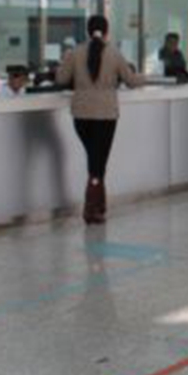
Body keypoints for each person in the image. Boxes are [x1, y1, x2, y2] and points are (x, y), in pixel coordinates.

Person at [57, 16, 143, 225]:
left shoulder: (74, 53)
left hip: (81, 115)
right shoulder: (114, 53)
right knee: (98, 162)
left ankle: (100, 205)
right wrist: (145, 77)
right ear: (106, 31)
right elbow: (131, 81)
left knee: (95, 159)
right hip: (105, 115)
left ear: (88, 31)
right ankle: (91, 209)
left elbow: (61, 79)